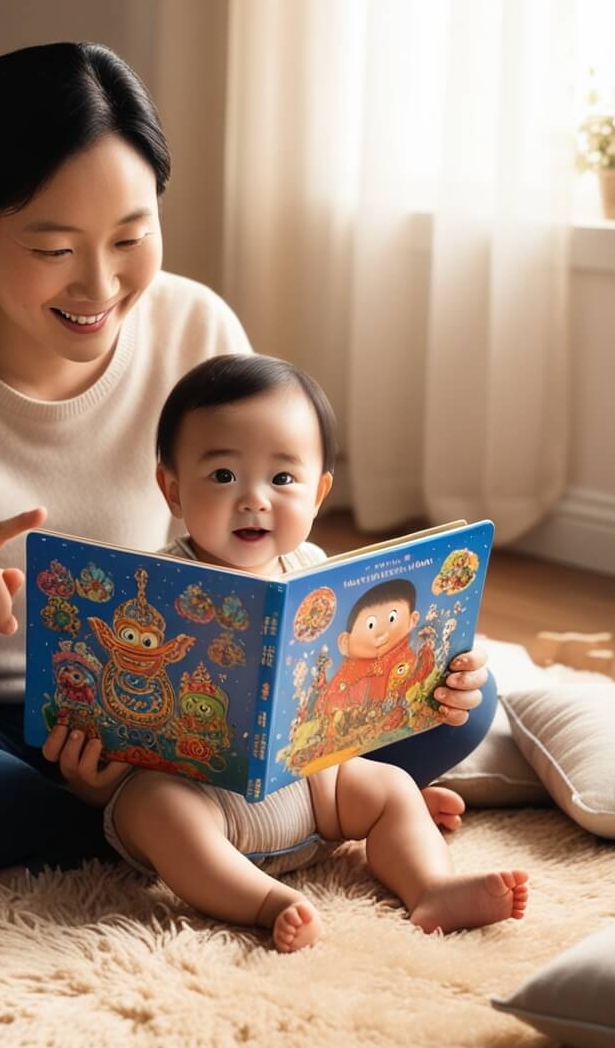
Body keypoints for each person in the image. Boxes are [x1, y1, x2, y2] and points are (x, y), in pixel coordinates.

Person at [0, 42, 497, 913]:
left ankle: (65, 846)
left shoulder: (196, 326)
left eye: (132, 238)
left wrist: (403, 664)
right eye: (53, 247)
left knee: (460, 704)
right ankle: (155, 834)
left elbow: (268, 547)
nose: (100, 285)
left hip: (174, 738)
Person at [59, 354, 524, 951]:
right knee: (155, 809)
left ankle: (431, 885)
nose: (255, 499)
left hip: (315, 795)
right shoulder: (156, 586)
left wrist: (442, 674)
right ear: (172, 489)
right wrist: (95, 779)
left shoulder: (320, 579)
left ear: (319, 492)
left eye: (282, 479)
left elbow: (365, 678)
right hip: (205, 805)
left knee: (392, 790)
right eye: (223, 476)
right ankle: (266, 901)